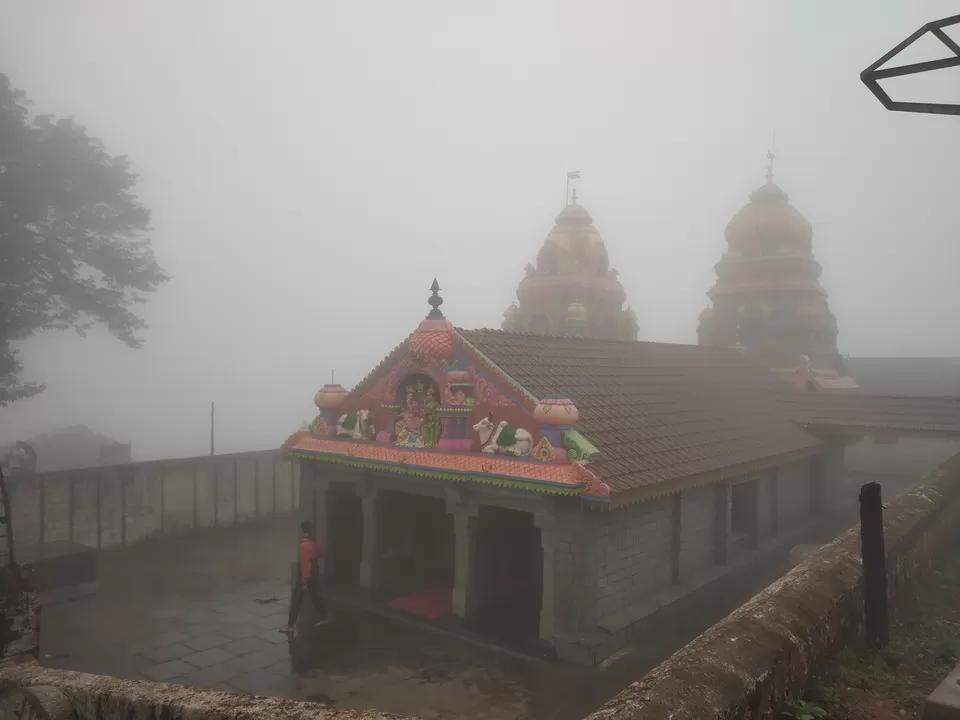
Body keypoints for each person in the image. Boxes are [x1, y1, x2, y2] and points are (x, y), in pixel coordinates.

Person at [282, 520, 328, 633]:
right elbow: (321, 554)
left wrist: (303, 581)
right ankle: (326, 617)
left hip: (306, 575)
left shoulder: (304, 545)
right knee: (314, 596)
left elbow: (305, 564)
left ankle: (290, 626)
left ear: (303, 531)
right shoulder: (315, 543)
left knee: (296, 599)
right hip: (315, 572)